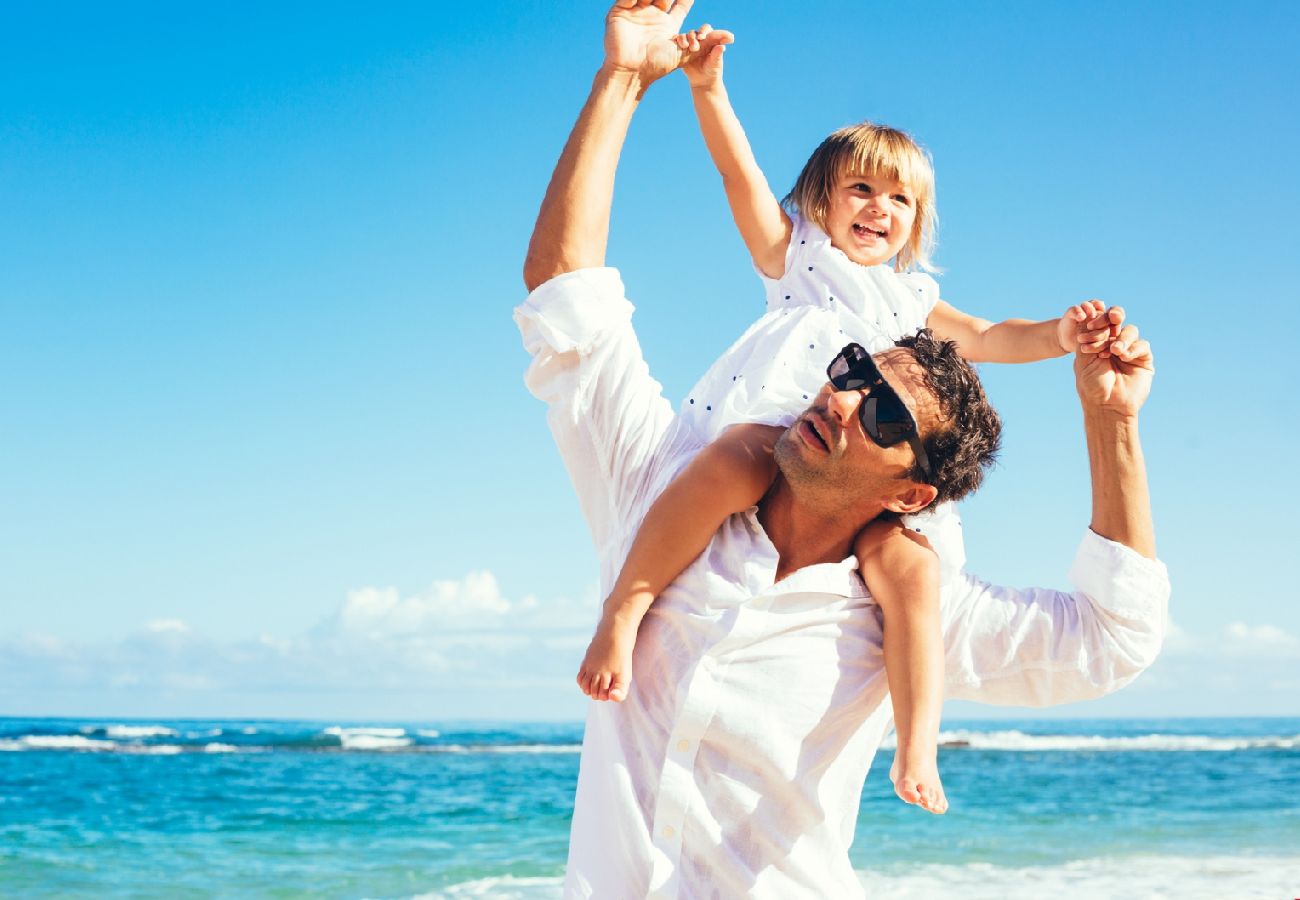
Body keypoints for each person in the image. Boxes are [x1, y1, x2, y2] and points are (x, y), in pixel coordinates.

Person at [518, 2, 1168, 896]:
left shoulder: (909, 599)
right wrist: (633, 80)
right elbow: (571, 299)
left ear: (915, 492)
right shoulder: (662, 490)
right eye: (855, 370)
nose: (850, 399)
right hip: (724, 453)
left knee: (908, 568)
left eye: (891, 421)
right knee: (743, 454)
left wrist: (1104, 406)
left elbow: (1111, 640)